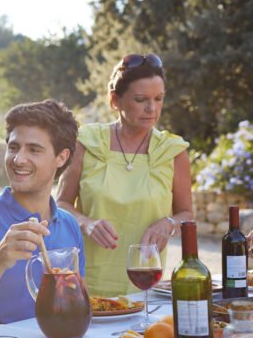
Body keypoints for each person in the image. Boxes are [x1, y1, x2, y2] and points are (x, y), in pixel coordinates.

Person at [57, 53, 193, 297]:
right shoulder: (86, 143)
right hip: (88, 286)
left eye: (158, 99)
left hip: (147, 285)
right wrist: (86, 223)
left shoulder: (173, 151)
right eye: (141, 99)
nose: (152, 108)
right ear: (115, 100)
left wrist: (169, 223)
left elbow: (187, 214)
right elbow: (60, 204)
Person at [0, 100, 85, 330]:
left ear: (61, 157)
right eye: (13, 147)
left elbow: (76, 303)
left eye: (34, 149)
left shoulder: (69, 225)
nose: (18, 159)